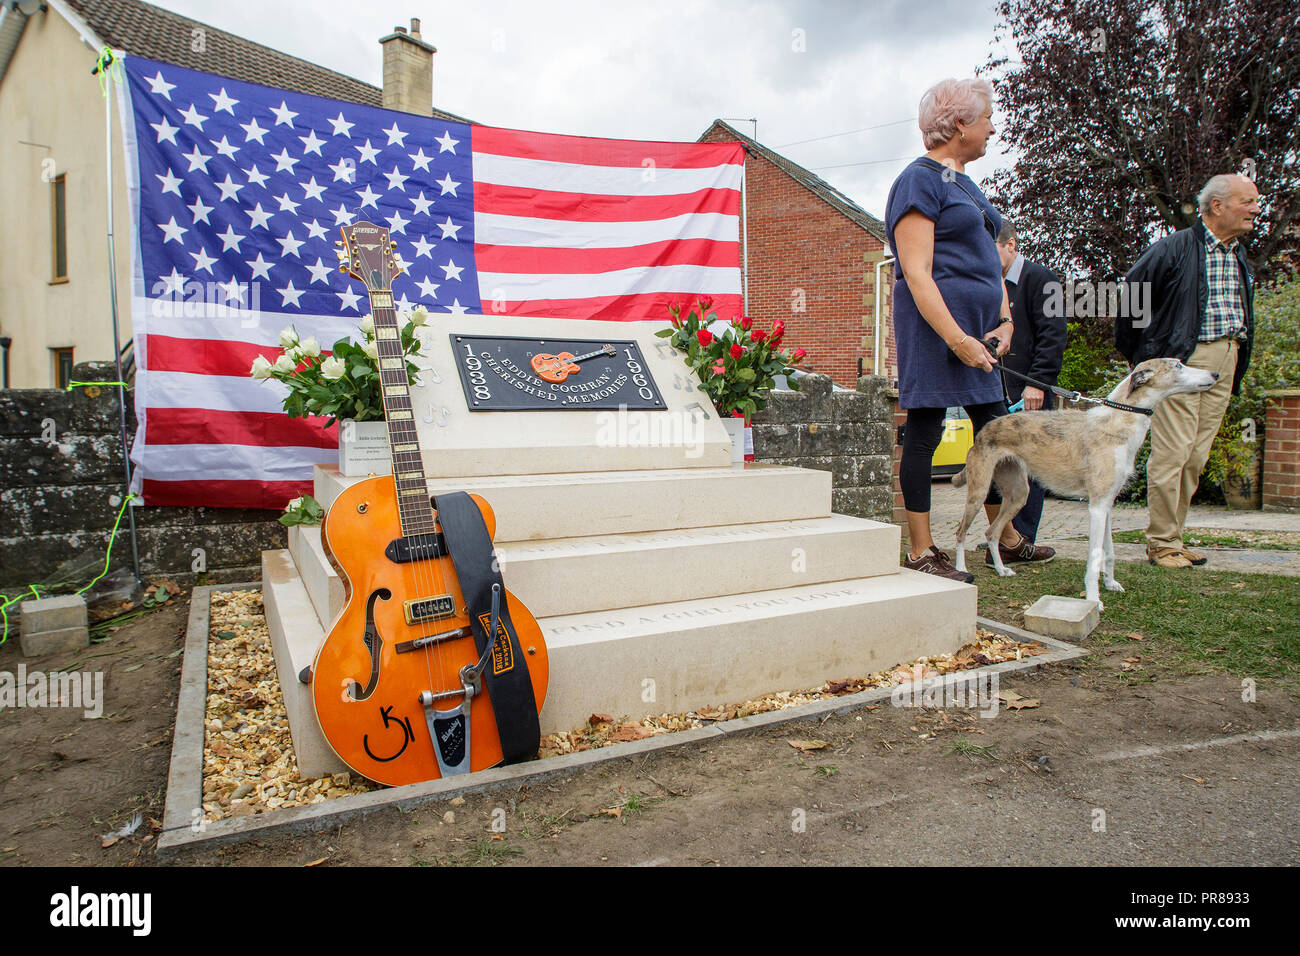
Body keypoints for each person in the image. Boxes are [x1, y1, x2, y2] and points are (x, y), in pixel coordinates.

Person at [887, 77, 1054, 583]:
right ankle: (921, 550)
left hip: (980, 335)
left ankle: (1003, 537)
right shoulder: (918, 181)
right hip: (934, 331)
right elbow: (916, 271)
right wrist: (956, 338)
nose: (992, 127)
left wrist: (1004, 319)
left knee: (998, 430)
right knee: (925, 431)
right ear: (959, 124)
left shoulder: (967, 185)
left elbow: (988, 265)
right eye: (985, 118)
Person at [1117, 173, 1260, 568]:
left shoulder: (1237, 253)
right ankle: (1161, 543)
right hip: (1184, 362)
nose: (1256, 208)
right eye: (1247, 201)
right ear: (1217, 207)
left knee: (1195, 457)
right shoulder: (1175, 248)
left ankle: (1173, 538)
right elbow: (1132, 294)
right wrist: (1142, 358)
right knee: (1173, 453)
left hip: (1226, 360)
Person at [991, 220, 1066, 564]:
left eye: (993, 252)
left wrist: (1038, 382)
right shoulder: (992, 285)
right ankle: (1004, 536)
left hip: (1031, 390)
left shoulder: (1043, 280)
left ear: (1011, 245)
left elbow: (1053, 337)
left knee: (1030, 468)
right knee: (1001, 467)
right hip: (997, 390)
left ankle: (1023, 540)